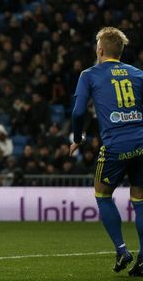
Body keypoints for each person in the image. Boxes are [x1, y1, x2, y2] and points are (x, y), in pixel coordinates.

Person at [70, 27, 143, 276]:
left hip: (115, 146)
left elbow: (78, 112)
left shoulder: (89, 74)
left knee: (102, 195)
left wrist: (78, 138)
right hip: (142, 144)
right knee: (140, 201)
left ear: (100, 49)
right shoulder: (138, 74)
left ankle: (122, 249)